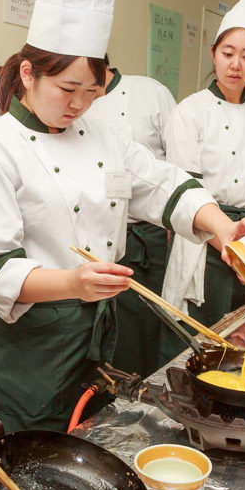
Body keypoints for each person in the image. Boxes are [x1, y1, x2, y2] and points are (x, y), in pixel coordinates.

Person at [0, 0, 245, 434]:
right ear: (27, 73)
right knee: (31, 462)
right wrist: (73, 284)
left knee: (90, 448)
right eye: (66, 89)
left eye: (92, 92)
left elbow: (164, 185)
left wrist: (226, 230)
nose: (79, 104)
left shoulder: (101, 136)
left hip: (98, 332)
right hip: (30, 347)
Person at [160, 0, 245, 330]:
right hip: (206, 243)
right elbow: (188, 195)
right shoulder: (189, 113)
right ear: (213, 55)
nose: (236, 65)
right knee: (203, 340)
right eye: (227, 53)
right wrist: (237, 257)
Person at [84, 54, 178, 377]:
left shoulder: (151, 93)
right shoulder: (74, 108)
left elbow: (171, 172)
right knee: (117, 339)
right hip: (101, 237)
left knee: (156, 328)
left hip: (152, 237)